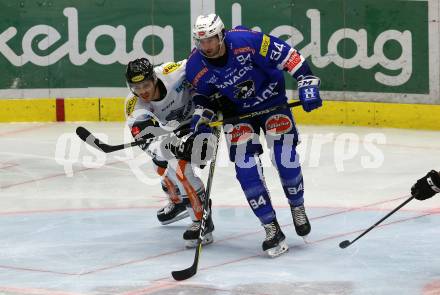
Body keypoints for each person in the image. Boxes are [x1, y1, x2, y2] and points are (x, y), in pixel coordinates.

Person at [185, 14, 322, 257]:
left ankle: (297, 206)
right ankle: (271, 229)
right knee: (245, 170)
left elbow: (290, 56)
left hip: (272, 102)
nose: (206, 46)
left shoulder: (248, 40)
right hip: (237, 114)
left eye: (211, 39)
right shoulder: (195, 64)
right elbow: (202, 96)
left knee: (285, 158)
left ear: (222, 35)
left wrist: (306, 81)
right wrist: (203, 116)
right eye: (201, 41)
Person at [124, 57, 216, 248]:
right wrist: (171, 146)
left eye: (146, 85)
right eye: (136, 87)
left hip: (202, 122)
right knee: (161, 165)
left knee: (181, 169)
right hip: (174, 131)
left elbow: (202, 62)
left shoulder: (173, 73)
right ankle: (181, 201)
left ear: (154, 78)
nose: (142, 91)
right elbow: (148, 143)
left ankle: (202, 221)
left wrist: (216, 98)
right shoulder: (134, 105)